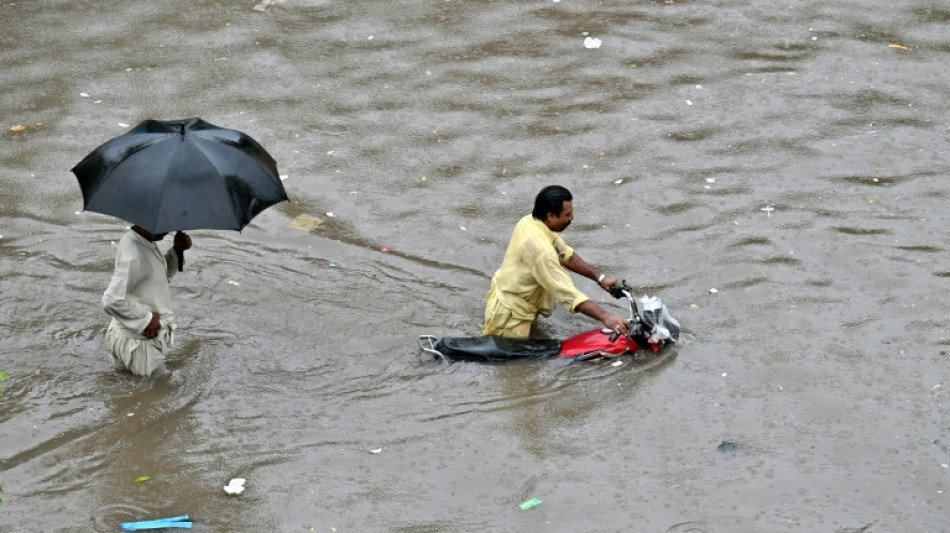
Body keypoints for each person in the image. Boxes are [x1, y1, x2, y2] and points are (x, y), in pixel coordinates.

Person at [483, 185, 630, 339]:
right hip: (511, 317)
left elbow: (565, 253)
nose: (572, 218)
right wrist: (607, 318)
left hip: (509, 302)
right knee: (514, 359)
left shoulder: (529, 221)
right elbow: (568, 293)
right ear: (551, 216)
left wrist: (600, 279)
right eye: (568, 214)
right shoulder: (542, 252)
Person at [101, 225, 192, 377]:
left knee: (130, 388)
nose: (168, 229)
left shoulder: (138, 240)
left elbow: (156, 277)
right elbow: (111, 300)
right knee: (160, 391)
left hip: (126, 335)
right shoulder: (134, 256)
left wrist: (177, 250)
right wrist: (146, 318)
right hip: (139, 345)